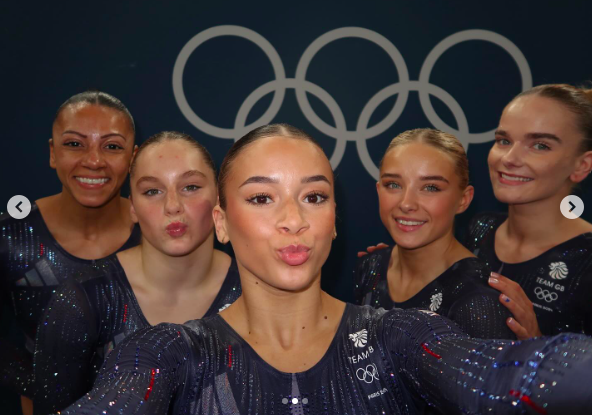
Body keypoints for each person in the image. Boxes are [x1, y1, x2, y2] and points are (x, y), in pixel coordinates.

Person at [60, 124, 592, 415]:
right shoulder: (169, 353)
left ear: (335, 219)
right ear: (221, 222)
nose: (293, 220)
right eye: (263, 198)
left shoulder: (400, 338)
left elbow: (516, 375)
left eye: (313, 196)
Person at [32, 132, 241, 414]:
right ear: (132, 208)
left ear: (218, 197)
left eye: (190, 187)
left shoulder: (253, 289)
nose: (172, 206)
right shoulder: (84, 298)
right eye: (152, 191)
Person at [0, 91, 141, 412]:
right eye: (75, 144)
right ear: (53, 153)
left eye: (112, 146)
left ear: (133, 159)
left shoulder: (162, 235)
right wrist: (47, 384)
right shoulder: (11, 235)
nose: (93, 160)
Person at [354, 129, 514, 340]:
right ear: (378, 189)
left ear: (463, 200)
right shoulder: (370, 266)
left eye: (430, 188)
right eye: (393, 185)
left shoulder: (479, 300)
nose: (406, 203)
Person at [464, 84, 592, 339]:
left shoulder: (586, 259)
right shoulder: (478, 228)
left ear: (581, 165)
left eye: (540, 145)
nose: (509, 158)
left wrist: (537, 348)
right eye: (504, 140)